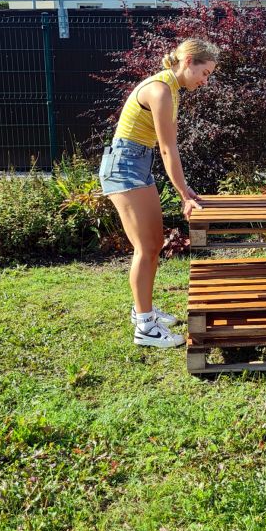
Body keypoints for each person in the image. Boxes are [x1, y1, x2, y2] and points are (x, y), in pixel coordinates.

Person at [99, 38, 219, 347]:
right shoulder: (160, 90)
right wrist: (184, 195)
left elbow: (164, 149)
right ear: (189, 61)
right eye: (204, 73)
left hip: (136, 164)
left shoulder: (171, 89)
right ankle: (145, 328)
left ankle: (145, 310)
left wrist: (186, 189)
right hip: (124, 167)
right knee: (147, 247)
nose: (205, 82)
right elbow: (168, 149)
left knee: (153, 244)